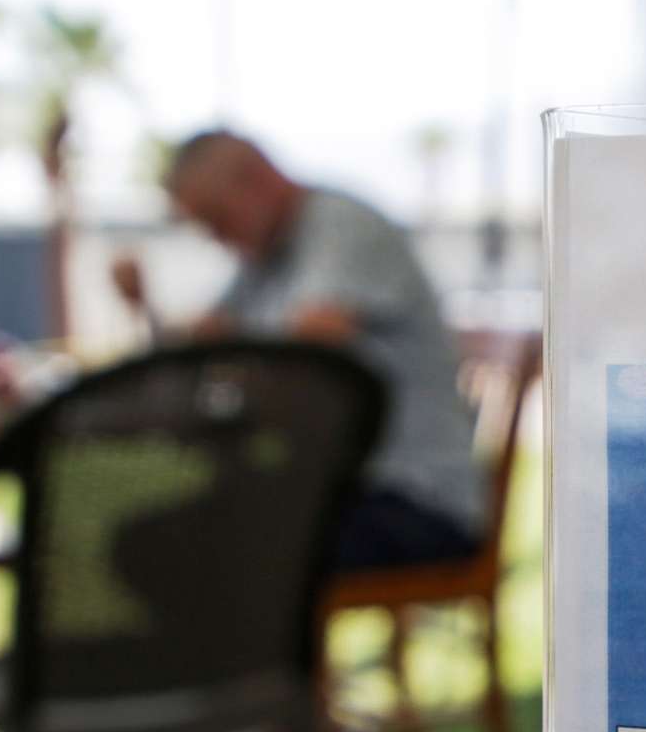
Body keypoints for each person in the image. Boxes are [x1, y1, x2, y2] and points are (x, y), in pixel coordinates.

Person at [112, 131, 486, 570]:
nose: (215, 238)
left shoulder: (342, 227)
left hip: (413, 500)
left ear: (254, 181)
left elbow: (308, 356)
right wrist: (146, 309)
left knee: (197, 550)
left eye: (216, 218)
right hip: (339, 491)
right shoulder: (265, 257)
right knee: (152, 531)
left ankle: (249, 641)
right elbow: (208, 340)